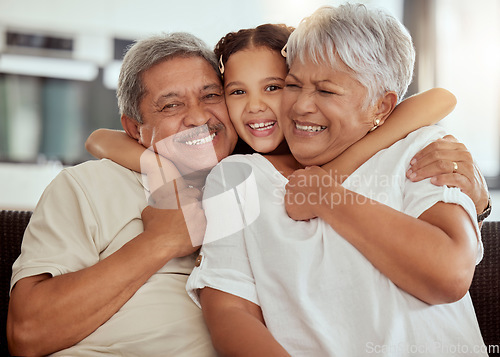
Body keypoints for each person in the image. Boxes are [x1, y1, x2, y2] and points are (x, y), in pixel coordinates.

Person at [187, 4, 488, 356]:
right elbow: (230, 313)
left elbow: (447, 274)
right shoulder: (238, 178)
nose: (300, 107)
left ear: (381, 107)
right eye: (293, 85)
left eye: (326, 91)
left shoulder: (422, 147)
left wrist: (328, 198)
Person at [85, 24, 489, 216]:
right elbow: (101, 139)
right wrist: (156, 167)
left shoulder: (338, 142)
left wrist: (332, 172)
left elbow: (439, 98)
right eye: (237, 92)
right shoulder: (231, 163)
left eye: (276, 87)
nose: (256, 106)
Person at [7, 32, 237, 356]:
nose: (199, 117)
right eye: (171, 105)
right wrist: (160, 241)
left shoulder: (265, 184)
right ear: (133, 129)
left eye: (211, 95)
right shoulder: (88, 185)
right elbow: (27, 332)